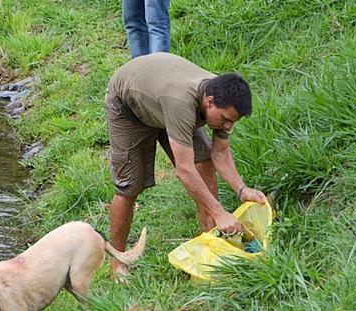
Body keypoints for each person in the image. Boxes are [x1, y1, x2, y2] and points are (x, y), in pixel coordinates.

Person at [105, 52, 267, 280]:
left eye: (233, 121)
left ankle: (209, 234)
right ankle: (118, 261)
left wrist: (242, 189)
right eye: (225, 119)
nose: (228, 125)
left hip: (162, 96)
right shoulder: (182, 103)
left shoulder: (221, 100)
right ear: (209, 102)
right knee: (128, 186)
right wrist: (221, 212)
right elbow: (184, 169)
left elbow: (219, 153)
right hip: (130, 105)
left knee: (204, 158)